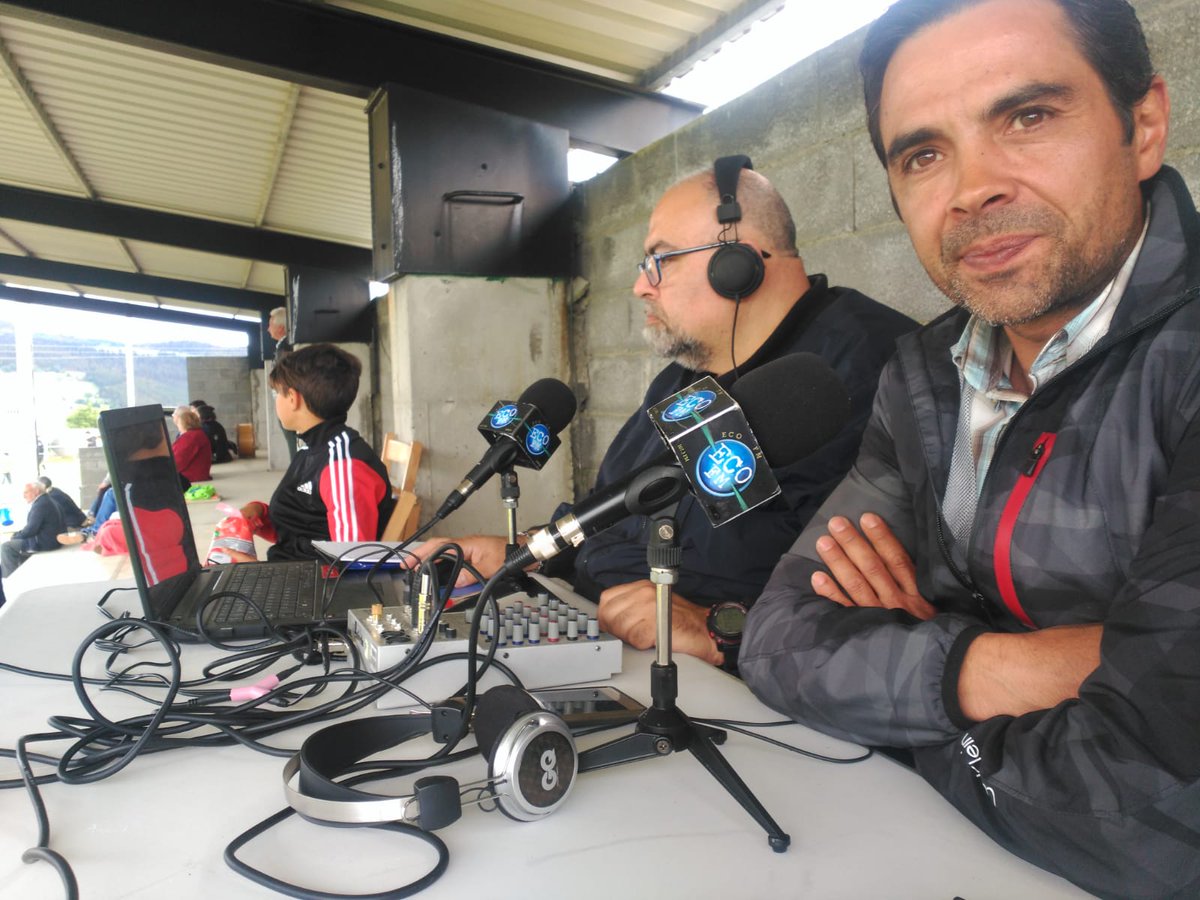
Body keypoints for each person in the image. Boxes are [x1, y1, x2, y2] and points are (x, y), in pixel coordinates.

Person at [740, 1, 1198, 896]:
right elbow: (779, 639)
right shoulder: (922, 372)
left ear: (1142, 127)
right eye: (923, 154)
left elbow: (1146, 813)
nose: (972, 188)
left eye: (1028, 116)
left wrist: (897, 707)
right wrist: (985, 665)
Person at [413, 159, 916, 666]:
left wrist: (722, 624)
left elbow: (869, 608)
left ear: (738, 264)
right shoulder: (685, 377)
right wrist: (519, 551)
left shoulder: (873, 371)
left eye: (661, 260)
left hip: (737, 689)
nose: (640, 287)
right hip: (606, 635)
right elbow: (610, 512)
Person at [238, 343, 395, 562]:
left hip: (313, 588)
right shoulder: (313, 447)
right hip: (294, 573)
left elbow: (350, 561)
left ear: (293, 398)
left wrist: (256, 572)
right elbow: (305, 527)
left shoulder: (342, 466)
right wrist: (260, 514)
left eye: (277, 394)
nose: (277, 401)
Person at [1, 480, 64, 578]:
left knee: (6, 547)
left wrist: (15, 536)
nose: (24, 496)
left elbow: (30, 530)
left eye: (26, 492)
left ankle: (9, 579)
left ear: (36, 491)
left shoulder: (40, 504)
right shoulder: (47, 500)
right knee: (17, 548)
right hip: (52, 540)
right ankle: (19, 576)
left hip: (45, 543)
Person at [170, 405, 210, 489]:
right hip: (198, 474)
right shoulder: (196, 434)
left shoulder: (190, 437)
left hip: (190, 476)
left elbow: (178, 461)